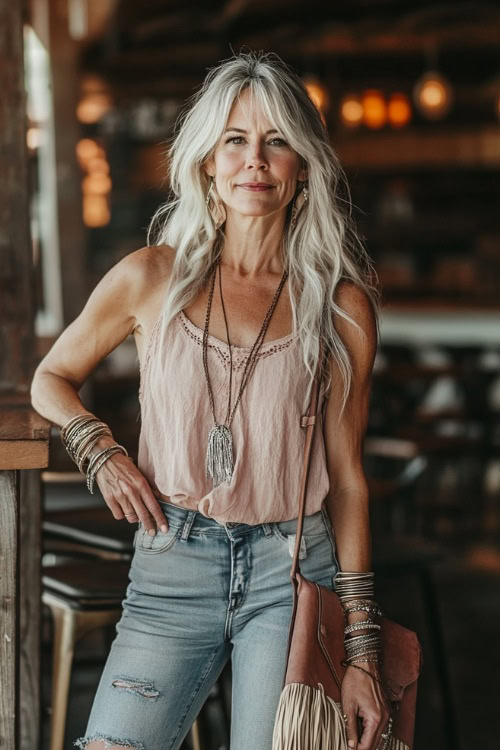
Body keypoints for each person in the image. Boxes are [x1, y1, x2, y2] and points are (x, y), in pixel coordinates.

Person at [31, 51, 391, 750]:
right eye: (236, 140)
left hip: (293, 573)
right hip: (174, 562)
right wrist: (98, 449)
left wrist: (362, 650)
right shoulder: (148, 278)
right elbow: (51, 377)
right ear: (206, 162)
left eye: (276, 140)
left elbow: (348, 481)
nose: (254, 160)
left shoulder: (341, 307)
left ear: (304, 165)